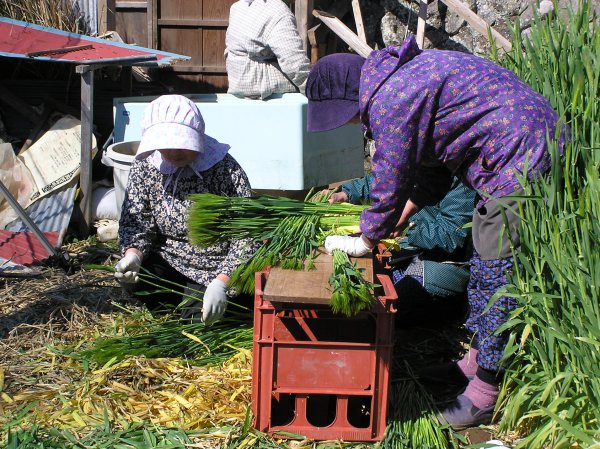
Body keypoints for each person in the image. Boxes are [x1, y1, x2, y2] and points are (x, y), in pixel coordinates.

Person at [306, 37, 565, 429]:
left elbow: (390, 179)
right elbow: (432, 169)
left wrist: (366, 238)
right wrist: (404, 214)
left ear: (352, 94)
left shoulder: (392, 98)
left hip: (522, 154)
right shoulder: (403, 77)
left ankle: (485, 395)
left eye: (348, 115)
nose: (353, 121)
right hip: (521, 144)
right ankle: (474, 363)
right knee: (484, 260)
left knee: (497, 271)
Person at [114, 95, 256, 325]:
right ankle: (173, 308)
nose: (173, 152)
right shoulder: (146, 167)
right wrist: (133, 254)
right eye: (165, 145)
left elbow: (247, 235)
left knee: (200, 318)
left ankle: (199, 305)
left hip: (213, 266)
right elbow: (137, 219)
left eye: (181, 144)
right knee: (137, 279)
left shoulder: (224, 170)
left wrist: (222, 281)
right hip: (168, 259)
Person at [330, 175, 475, 322]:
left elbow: (451, 236)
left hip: (441, 259)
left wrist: (406, 226)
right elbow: (385, 178)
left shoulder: (462, 180)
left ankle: (452, 307)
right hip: (406, 246)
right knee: (371, 280)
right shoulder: (414, 158)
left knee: (388, 307)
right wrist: (347, 193)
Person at [225, 0, 311, 99]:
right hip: (269, 95)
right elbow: (294, 63)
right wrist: (315, 90)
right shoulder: (277, 11)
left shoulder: (237, 7)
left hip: (238, 89)